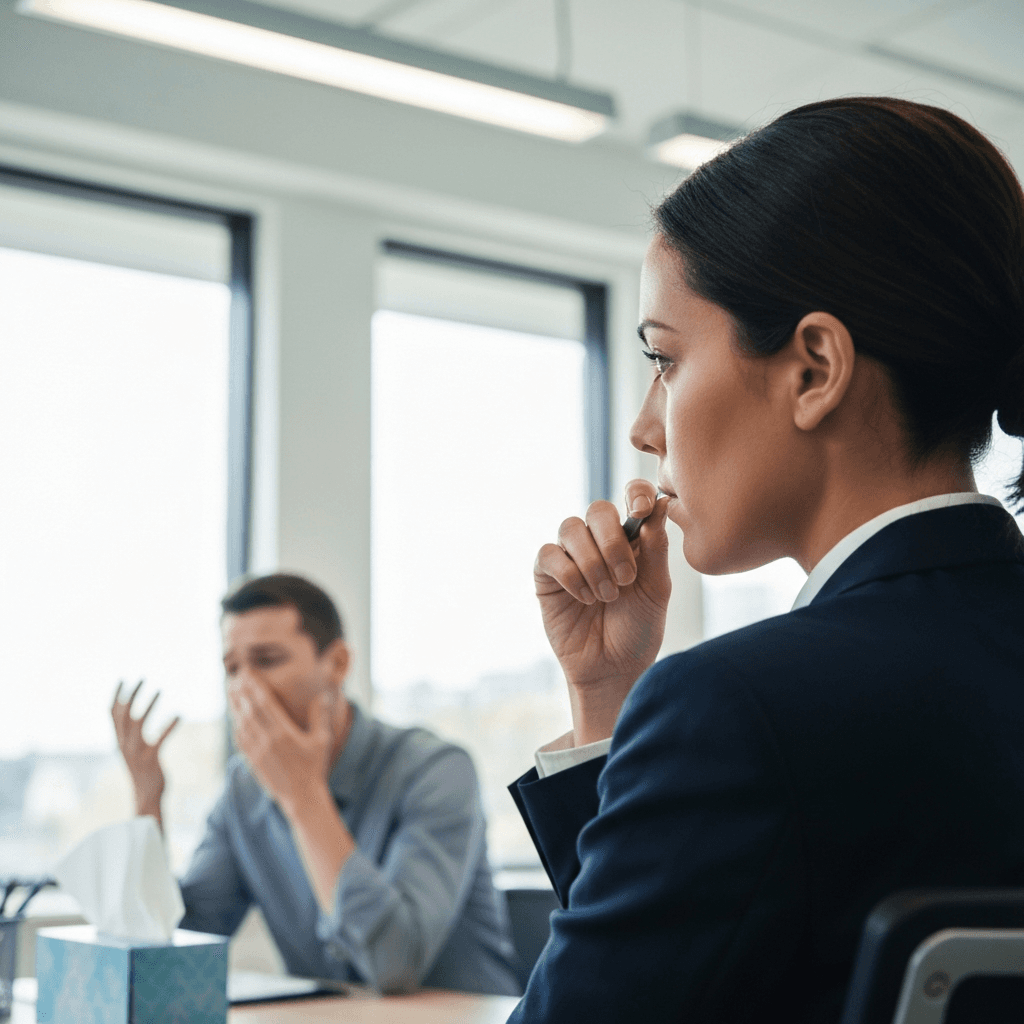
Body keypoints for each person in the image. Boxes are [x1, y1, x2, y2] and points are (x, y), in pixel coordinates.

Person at [508, 97, 1024, 1023]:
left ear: (815, 369)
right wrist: (608, 696)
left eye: (665, 359)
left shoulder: (737, 713)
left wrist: (633, 712)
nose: (644, 428)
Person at [111, 572, 519, 996]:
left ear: (337, 664)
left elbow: (395, 963)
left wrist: (303, 796)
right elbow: (177, 942)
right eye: (232, 668)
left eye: (267, 660)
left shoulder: (435, 770)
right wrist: (147, 800)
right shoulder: (243, 790)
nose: (244, 687)